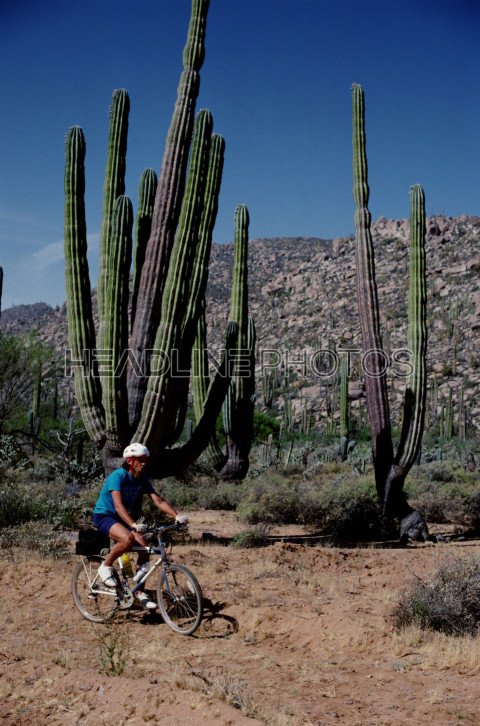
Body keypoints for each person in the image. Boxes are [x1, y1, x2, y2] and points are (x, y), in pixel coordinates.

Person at [92, 442, 188, 610]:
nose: (144, 463)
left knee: (145, 549)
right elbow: (118, 505)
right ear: (130, 460)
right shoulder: (118, 476)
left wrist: (177, 515)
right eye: (141, 459)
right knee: (128, 539)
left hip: (123, 519)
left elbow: (158, 500)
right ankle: (105, 566)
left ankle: (139, 592)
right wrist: (133, 524)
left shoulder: (142, 479)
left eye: (146, 459)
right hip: (104, 516)